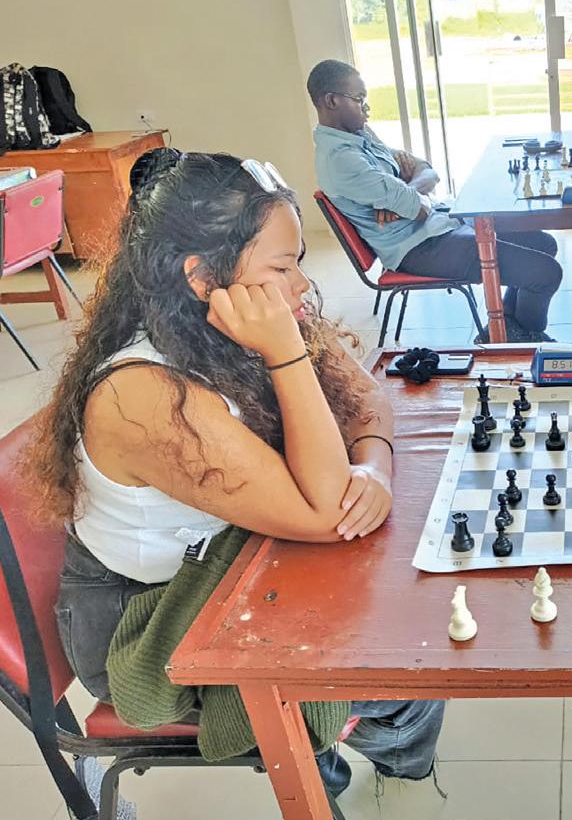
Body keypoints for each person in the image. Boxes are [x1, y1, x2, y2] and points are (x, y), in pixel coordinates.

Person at [31, 148, 444, 799]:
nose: (302, 285)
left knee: (392, 590)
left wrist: (375, 469)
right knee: (404, 662)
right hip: (147, 620)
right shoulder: (143, 395)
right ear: (202, 277)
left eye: (298, 261)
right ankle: (370, 767)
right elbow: (327, 514)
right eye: (282, 266)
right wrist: (286, 355)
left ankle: (340, 758)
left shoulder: (244, 315)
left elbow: (366, 402)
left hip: (240, 557)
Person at [307, 59, 562, 343]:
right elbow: (419, 207)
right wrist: (412, 196)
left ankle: (509, 331)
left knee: (543, 244)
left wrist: (407, 191)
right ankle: (525, 338)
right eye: (359, 99)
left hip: (439, 224)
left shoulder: (359, 135)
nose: (367, 109)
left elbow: (426, 169)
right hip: (418, 248)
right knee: (546, 274)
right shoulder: (341, 160)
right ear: (331, 101)